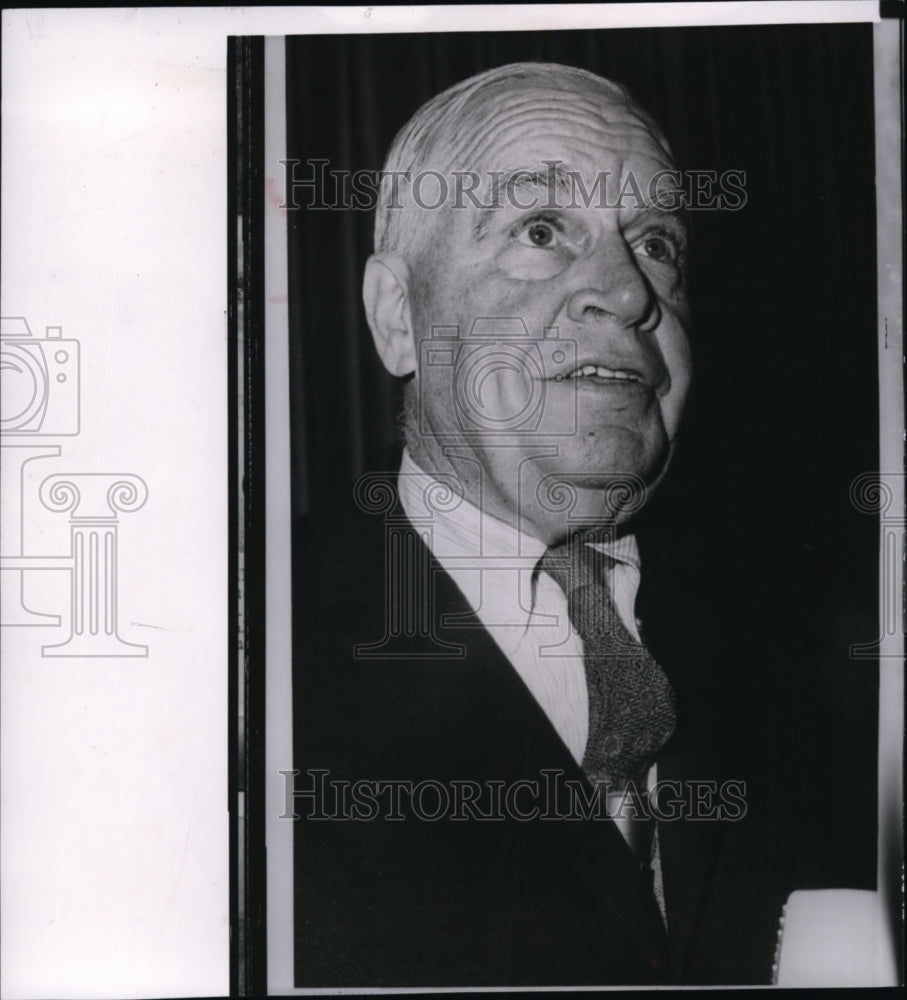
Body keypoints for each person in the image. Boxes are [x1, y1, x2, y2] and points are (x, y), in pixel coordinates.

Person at [290, 62, 876, 987]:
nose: (630, 292)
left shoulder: (819, 656)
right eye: (540, 230)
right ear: (397, 317)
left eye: (656, 242)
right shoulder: (242, 671)